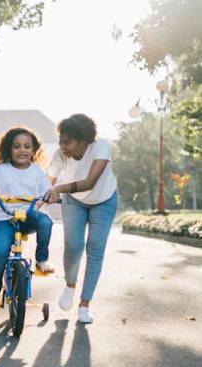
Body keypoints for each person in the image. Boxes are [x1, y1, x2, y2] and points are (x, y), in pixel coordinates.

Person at [45, 113, 118, 324]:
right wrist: (43, 195)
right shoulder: (61, 154)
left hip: (104, 200)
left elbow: (90, 182)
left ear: (84, 139)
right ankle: (70, 285)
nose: (62, 146)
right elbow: (47, 181)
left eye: (67, 141)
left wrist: (59, 188)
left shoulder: (100, 147)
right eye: (60, 140)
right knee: (73, 246)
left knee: (95, 249)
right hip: (74, 202)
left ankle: (85, 305)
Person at [0, 126, 54, 314]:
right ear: (8, 149)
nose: (22, 150)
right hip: (4, 217)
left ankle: (41, 260)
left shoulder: (37, 171)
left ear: (34, 150)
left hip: (27, 215)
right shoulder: (1, 169)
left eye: (27, 146)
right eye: (17, 146)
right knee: (1, 252)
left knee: (46, 222)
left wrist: (49, 197)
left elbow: (46, 192)